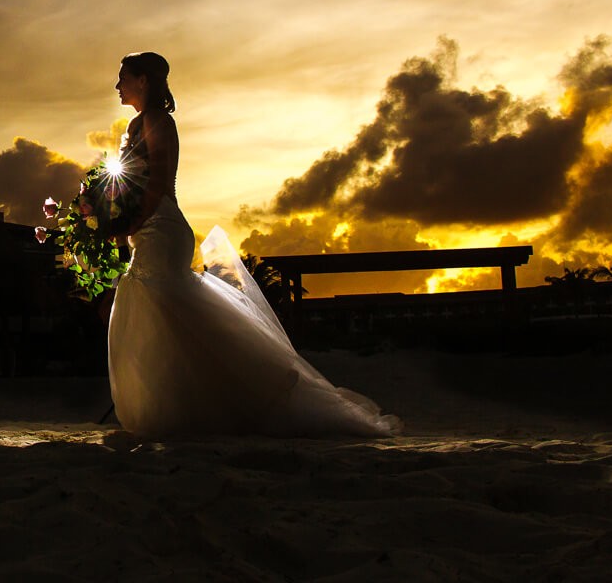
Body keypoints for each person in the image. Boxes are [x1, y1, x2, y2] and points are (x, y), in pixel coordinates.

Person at [106, 51, 399, 438]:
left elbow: (158, 183)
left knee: (169, 313)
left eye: (124, 77)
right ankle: (181, 406)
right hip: (144, 230)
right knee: (161, 321)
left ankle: (223, 403)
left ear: (143, 81)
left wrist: (129, 222)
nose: (118, 85)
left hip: (161, 227)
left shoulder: (160, 121)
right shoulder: (135, 124)